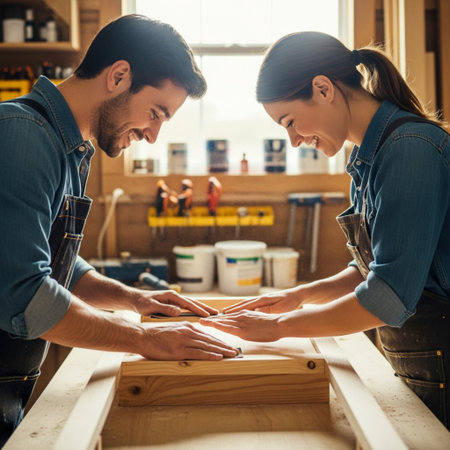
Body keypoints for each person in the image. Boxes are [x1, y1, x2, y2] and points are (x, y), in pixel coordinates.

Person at [0, 14, 238, 444]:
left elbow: (55, 264)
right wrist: (145, 338)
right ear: (119, 76)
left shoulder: (65, 145)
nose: (152, 134)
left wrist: (134, 299)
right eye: (155, 112)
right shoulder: (23, 135)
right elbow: (23, 293)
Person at [200, 31, 450, 429]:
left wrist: (278, 328)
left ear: (323, 88)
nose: (294, 140)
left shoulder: (410, 149)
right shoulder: (368, 158)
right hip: (422, 362)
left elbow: (388, 296)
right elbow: (373, 269)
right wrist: (297, 297)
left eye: (290, 121)